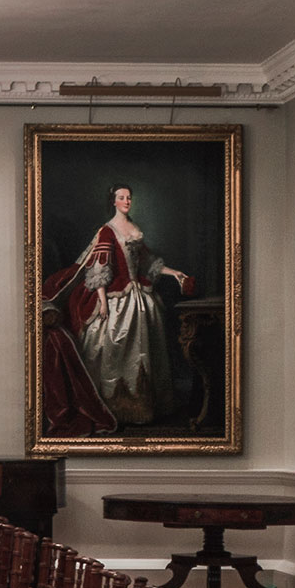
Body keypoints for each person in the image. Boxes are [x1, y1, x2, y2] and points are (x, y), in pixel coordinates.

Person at [42, 182, 195, 431]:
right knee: (113, 345)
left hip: (141, 296)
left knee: (146, 347)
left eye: (129, 197)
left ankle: (144, 407)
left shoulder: (134, 227)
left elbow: (148, 263)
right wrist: (102, 303)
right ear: (113, 202)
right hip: (116, 300)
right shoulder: (107, 231)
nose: (126, 201)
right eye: (121, 197)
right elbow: (100, 271)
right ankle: (114, 406)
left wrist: (173, 272)